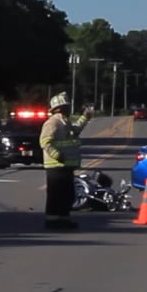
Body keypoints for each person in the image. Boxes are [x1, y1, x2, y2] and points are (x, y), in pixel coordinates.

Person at [39, 93, 90, 229]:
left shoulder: (64, 122)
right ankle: (52, 221)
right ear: (59, 108)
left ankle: (64, 219)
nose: (68, 109)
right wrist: (57, 155)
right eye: (66, 107)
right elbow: (45, 141)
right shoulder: (52, 123)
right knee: (56, 195)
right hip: (56, 165)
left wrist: (85, 117)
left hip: (66, 165)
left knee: (67, 195)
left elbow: (75, 131)